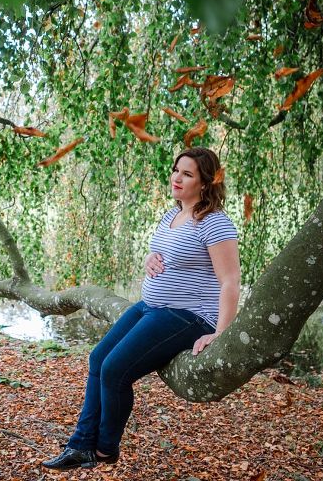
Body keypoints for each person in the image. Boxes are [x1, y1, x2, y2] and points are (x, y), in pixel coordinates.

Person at [42, 146, 241, 471]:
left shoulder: (215, 223)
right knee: (97, 359)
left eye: (187, 174)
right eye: (176, 170)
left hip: (188, 316)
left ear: (205, 183)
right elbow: (161, 254)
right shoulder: (172, 215)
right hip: (150, 306)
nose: (177, 177)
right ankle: (80, 445)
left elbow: (230, 281)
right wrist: (150, 260)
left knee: (115, 370)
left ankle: (105, 449)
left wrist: (219, 333)